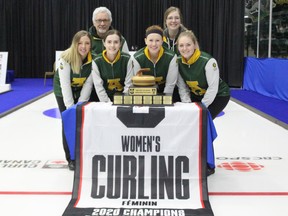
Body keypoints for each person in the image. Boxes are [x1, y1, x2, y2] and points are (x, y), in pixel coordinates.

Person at [53, 30, 97, 171]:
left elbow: (89, 84)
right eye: (80, 43)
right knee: (68, 121)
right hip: (63, 91)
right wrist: (71, 108)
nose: (83, 46)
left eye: (87, 43)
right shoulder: (65, 58)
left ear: (91, 45)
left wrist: (80, 105)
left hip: (81, 90)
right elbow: (65, 85)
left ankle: (83, 153)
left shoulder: (94, 60)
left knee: (83, 120)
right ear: (75, 44)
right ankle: (71, 158)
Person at [177, 30, 230, 120]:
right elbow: (182, 87)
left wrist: (202, 106)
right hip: (197, 94)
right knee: (189, 119)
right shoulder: (177, 61)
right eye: (181, 45)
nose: (184, 48)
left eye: (188, 45)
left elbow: (213, 88)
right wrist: (187, 106)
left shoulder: (208, 61)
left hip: (219, 95)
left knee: (203, 121)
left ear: (194, 45)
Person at [79, 29, 133, 102]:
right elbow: (99, 86)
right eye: (109, 42)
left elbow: (128, 84)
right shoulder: (97, 61)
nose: (112, 45)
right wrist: (107, 104)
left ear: (120, 44)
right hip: (104, 100)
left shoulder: (127, 59)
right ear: (104, 43)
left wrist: (124, 101)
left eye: (116, 42)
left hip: (123, 100)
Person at [132, 25, 179, 97]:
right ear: (145, 41)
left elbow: (170, 84)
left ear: (162, 41)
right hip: (146, 93)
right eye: (151, 40)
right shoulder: (137, 58)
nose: (154, 44)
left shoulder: (171, 57)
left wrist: (165, 100)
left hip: (167, 93)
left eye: (157, 40)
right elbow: (138, 83)